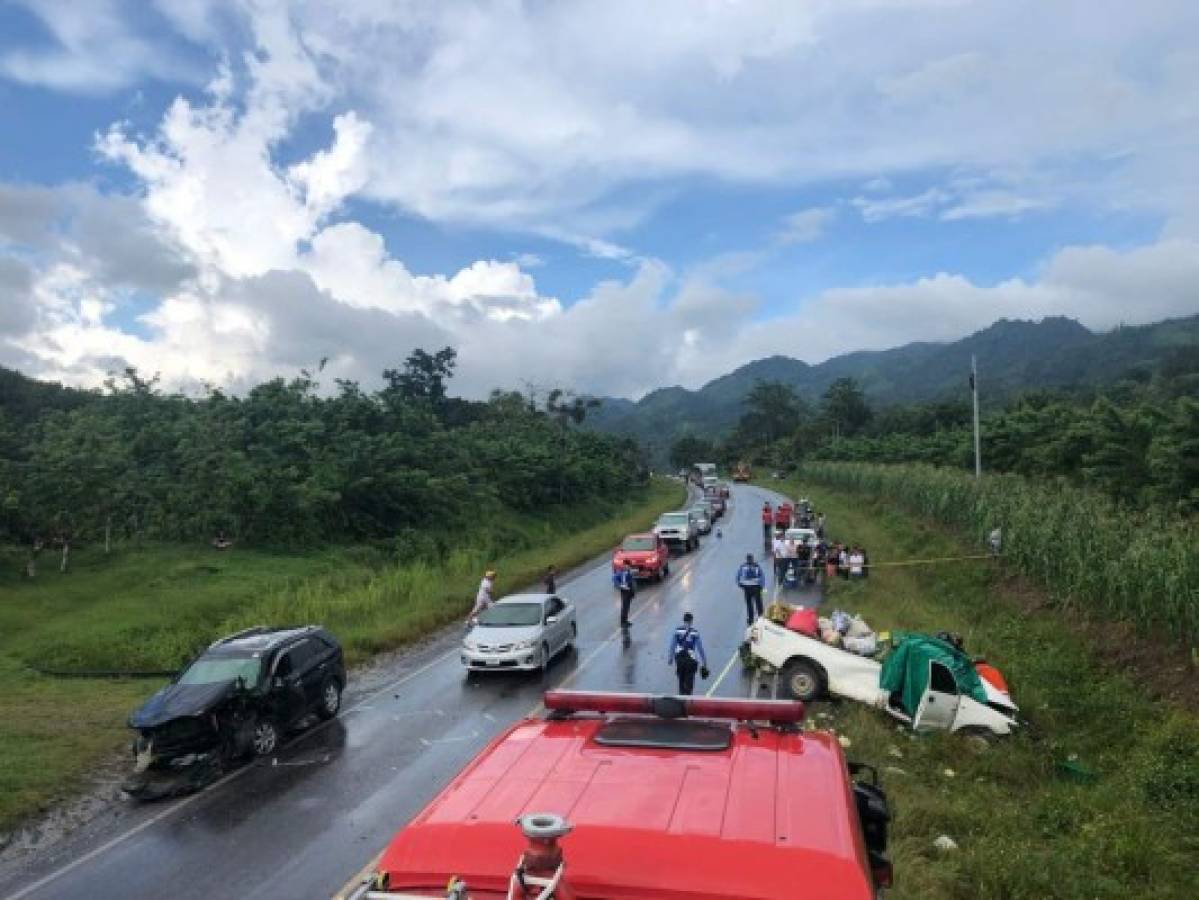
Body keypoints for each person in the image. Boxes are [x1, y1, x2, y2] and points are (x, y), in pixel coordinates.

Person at [666, 612, 709, 696]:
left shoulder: (678, 630)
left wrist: (670, 658)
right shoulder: (695, 632)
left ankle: (681, 698)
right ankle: (688, 697)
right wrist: (704, 662)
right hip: (691, 660)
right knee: (690, 683)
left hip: (680, 659)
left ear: (683, 620)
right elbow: (700, 648)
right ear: (691, 621)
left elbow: (672, 645)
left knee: (681, 681)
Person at [736, 553, 766, 625]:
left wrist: (740, 585)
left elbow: (738, 577)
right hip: (756, 588)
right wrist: (761, 586)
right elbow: (762, 576)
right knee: (758, 603)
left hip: (747, 588)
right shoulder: (756, 566)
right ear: (752, 559)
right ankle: (760, 618)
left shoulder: (743, 566)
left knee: (749, 604)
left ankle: (751, 619)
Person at [613, 561, 636, 628]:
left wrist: (633, 592)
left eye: (628, 566)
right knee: (624, 607)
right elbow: (615, 579)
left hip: (629, 591)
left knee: (627, 607)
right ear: (624, 565)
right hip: (624, 591)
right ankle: (623, 622)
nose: (627, 567)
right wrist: (620, 585)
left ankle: (625, 620)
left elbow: (631, 582)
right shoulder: (621, 572)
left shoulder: (629, 572)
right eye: (626, 566)